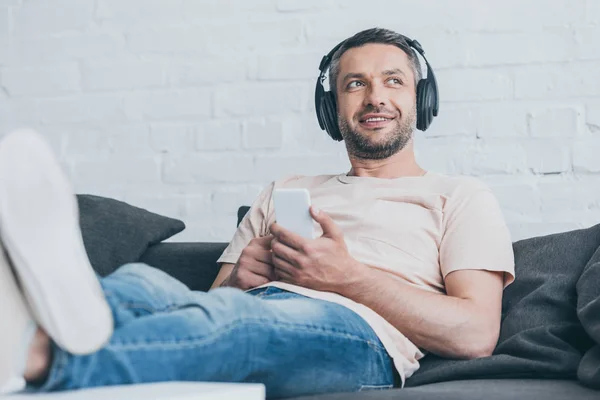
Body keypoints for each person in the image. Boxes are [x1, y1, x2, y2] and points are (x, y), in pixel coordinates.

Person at [0, 28, 515, 399]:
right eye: (355, 83)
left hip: (362, 338)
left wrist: (348, 278)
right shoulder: (286, 189)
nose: (375, 96)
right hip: (253, 307)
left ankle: (34, 357)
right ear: (332, 106)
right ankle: (30, 316)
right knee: (142, 285)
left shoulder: (460, 195)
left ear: (420, 97)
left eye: (393, 81)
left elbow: (474, 334)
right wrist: (240, 276)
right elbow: (213, 300)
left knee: (234, 319)